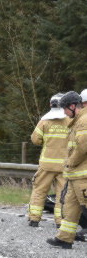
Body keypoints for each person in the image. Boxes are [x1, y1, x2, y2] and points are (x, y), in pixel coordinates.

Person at [47, 91, 87, 249]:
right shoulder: (77, 120)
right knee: (70, 209)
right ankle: (64, 238)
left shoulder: (84, 120)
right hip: (75, 176)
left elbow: (83, 146)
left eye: (64, 108)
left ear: (72, 106)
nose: (63, 112)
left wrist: (70, 162)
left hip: (83, 176)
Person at [28, 93, 69, 227]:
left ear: (51, 105)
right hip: (64, 166)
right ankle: (60, 222)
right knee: (62, 195)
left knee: (39, 190)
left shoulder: (45, 121)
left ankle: (34, 219)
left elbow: (35, 139)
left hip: (46, 165)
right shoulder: (70, 120)